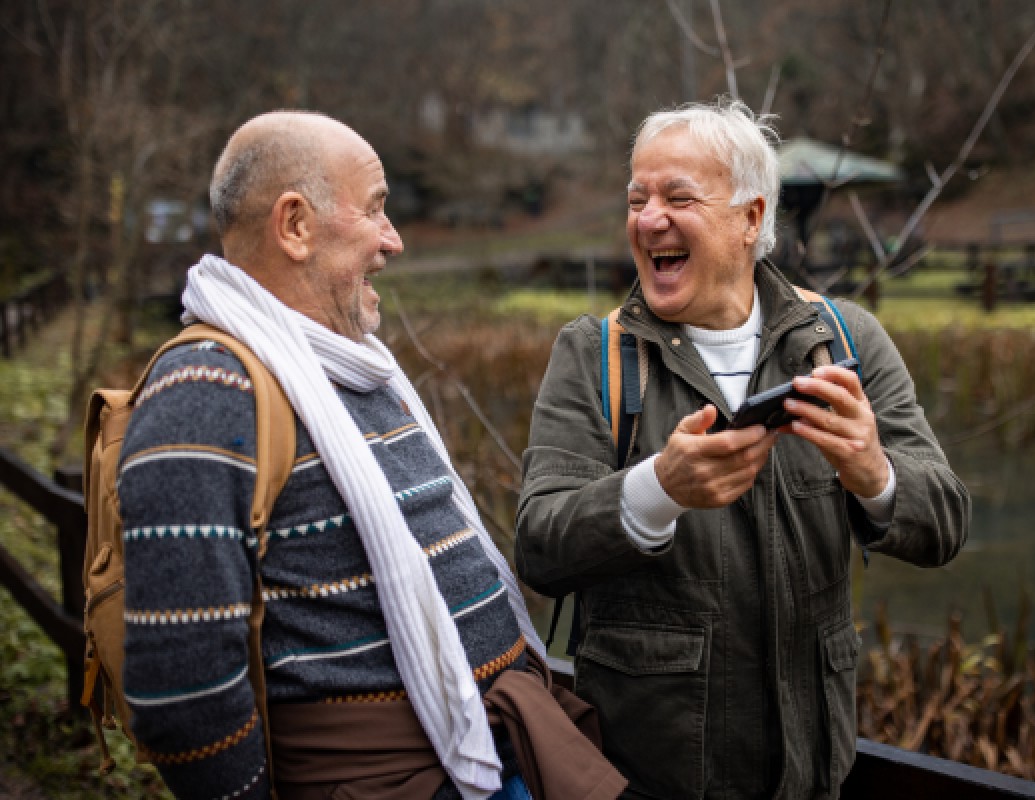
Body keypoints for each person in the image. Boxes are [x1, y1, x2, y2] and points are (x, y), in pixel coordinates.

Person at [118, 111, 625, 800]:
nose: (395, 241)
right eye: (377, 210)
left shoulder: (352, 370)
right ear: (294, 226)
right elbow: (183, 690)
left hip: (492, 752)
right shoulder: (206, 394)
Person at [515, 99, 970, 799]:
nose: (648, 218)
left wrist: (872, 472)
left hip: (813, 777)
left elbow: (945, 526)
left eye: (678, 197)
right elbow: (540, 548)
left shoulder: (845, 341)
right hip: (644, 782)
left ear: (751, 218)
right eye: (637, 199)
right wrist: (658, 489)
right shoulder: (593, 354)